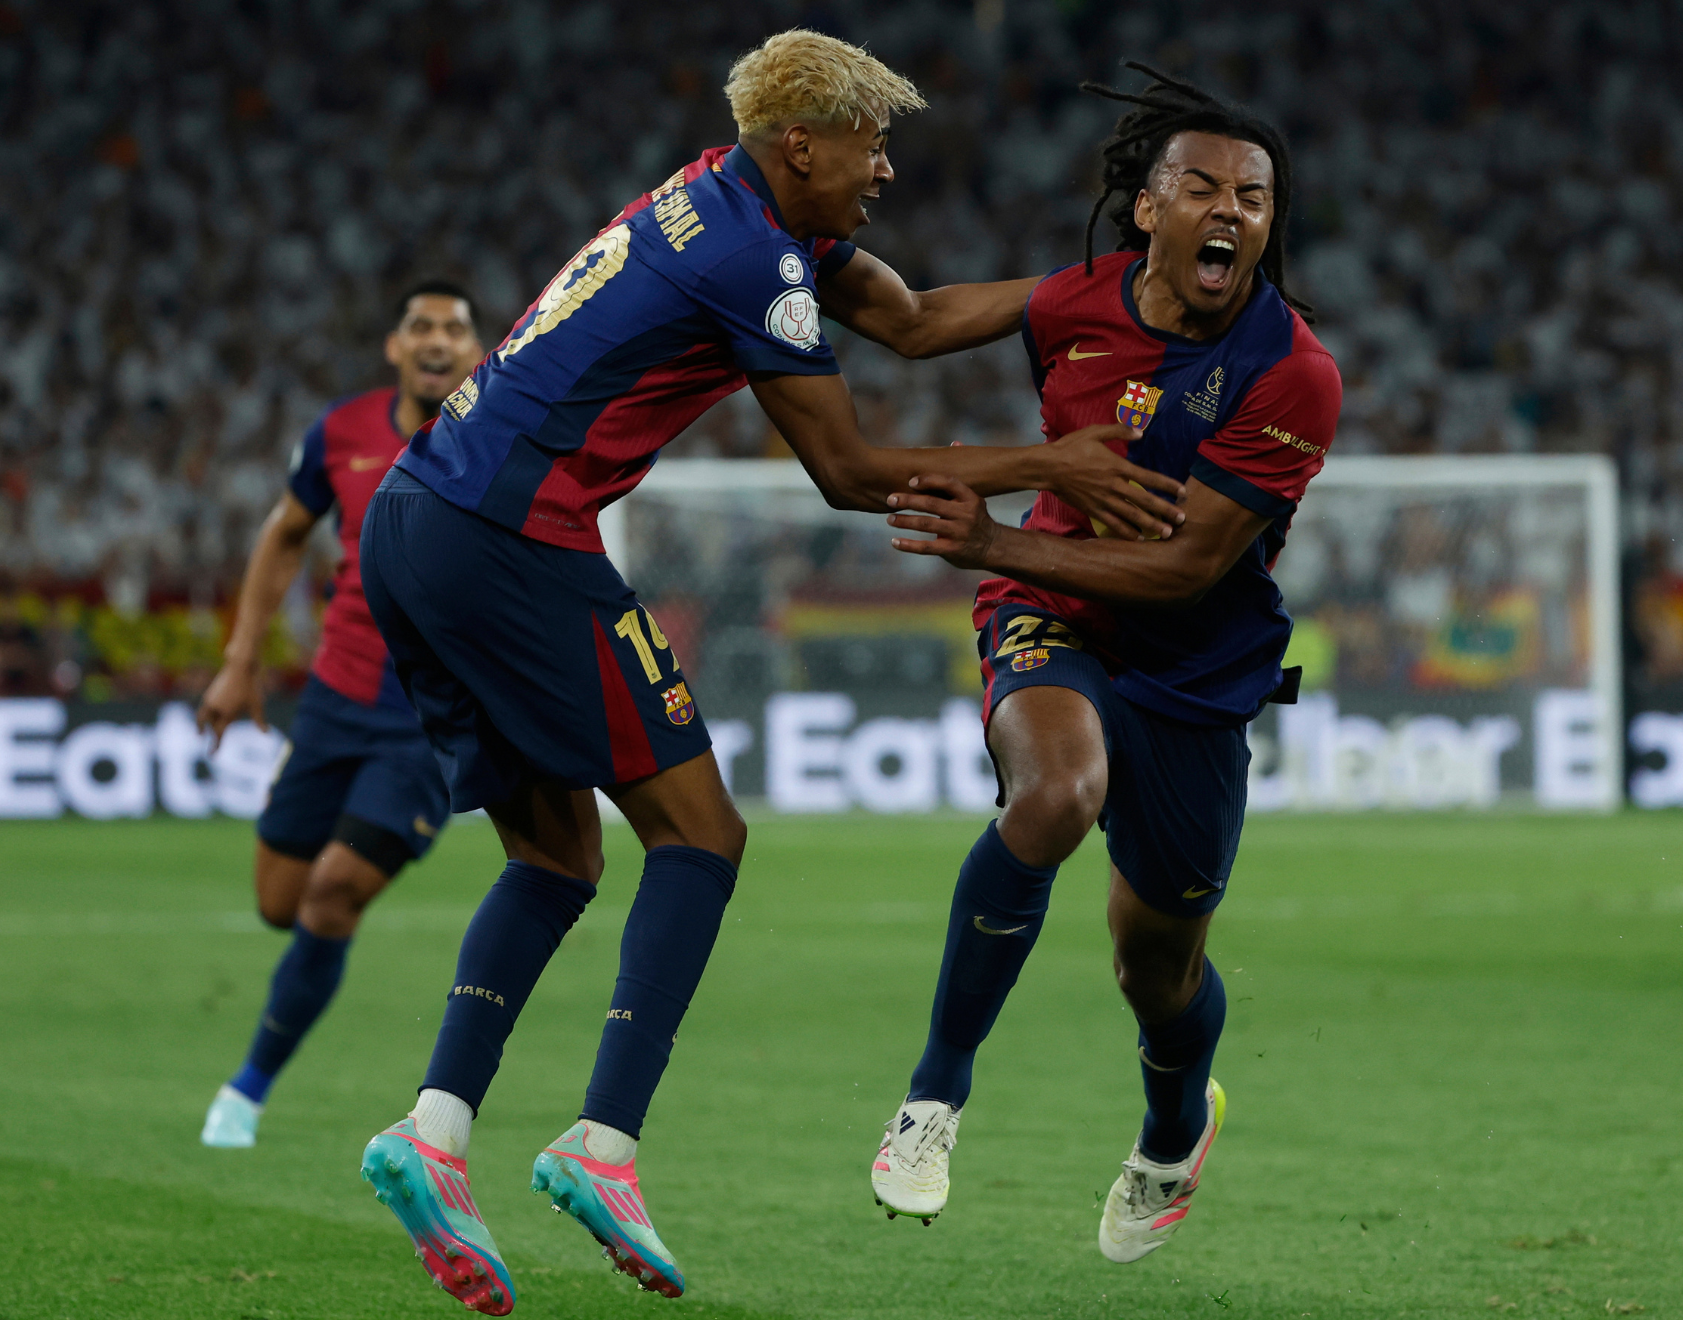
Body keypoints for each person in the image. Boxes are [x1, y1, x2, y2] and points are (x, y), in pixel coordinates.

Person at [352, 30, 1191, 1316]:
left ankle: (434, 1132)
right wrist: (1053, 465)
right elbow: (852, 476)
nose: (887, 170)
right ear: (801, 143)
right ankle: (605, 1147)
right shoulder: (750, 255)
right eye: (870, 145)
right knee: (702, 833)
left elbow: (911, 323)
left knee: (555, 857)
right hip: (510, 535)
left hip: (419, 523)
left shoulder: (725, 202)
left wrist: (1111, 287)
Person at [869, 65, 1342, 1265]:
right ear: (1148, 206)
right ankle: (931, 1101)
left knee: (1157, 969)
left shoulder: (1293, 373)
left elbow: (1188, 568)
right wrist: (772, 236)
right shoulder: (1076, 299)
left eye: (1254, 195)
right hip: (1051, 610)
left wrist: (989, 532)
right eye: (1202, 186)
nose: (1230, 209)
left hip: (1195, 663)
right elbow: (912, 320)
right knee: (1054, 794)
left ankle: (1174, 1132)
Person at [195, 282, 484, 1148]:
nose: (438, 341)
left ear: (478, 351)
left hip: (429, 723)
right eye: (422, 327)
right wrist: (240, 661)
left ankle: (245, 1090)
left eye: (456, 330)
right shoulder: (341, 433)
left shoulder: (502, 430)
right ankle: (270, 1047)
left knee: (329, 895)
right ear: (395, 347)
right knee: (279, 902)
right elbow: (285, 532)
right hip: (333, 700)